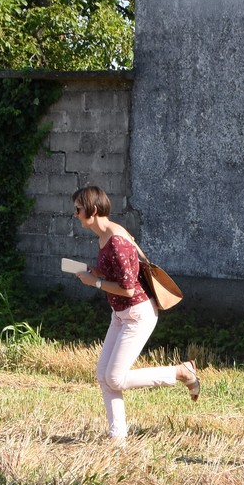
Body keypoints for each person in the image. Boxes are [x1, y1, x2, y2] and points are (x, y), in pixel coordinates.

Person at [71, 185, 200, 440]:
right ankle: (117, 439)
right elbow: (121, 275)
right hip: (120, 314)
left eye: (78, 209)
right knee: (104, 375)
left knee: (115, 378)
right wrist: (98, 273)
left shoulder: (117, 242)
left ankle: (181, 372)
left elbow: (128, 289)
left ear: (92, 210)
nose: (75, 215)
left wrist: (95, 283)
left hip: (137, 314)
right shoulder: (104, 236)